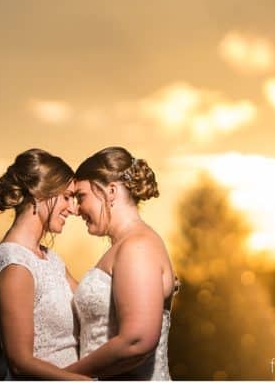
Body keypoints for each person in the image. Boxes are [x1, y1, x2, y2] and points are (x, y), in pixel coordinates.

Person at [65, 147, 179, 380]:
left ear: (111, 191)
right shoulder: (127, 246)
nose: (76, 209)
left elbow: (137, 340)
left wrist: (61, 377)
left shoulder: (137, 247)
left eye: (81, 196)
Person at [0, 148, 88, 380]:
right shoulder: (14, 264)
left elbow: (88, 306)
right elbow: (20, 362)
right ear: (39, 194)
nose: (73, 209)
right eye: (66, 197)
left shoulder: (51, 259)